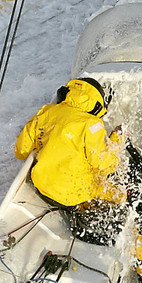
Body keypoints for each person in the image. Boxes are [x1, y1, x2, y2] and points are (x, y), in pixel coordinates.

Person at [14, 78, 126, 244]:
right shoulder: (92, 124)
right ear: (97, 102)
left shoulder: (46, 111)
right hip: (74, 196)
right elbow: (106, 165)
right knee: (122, 195)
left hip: (42, 187)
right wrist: (117, 139)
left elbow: (21, 151)